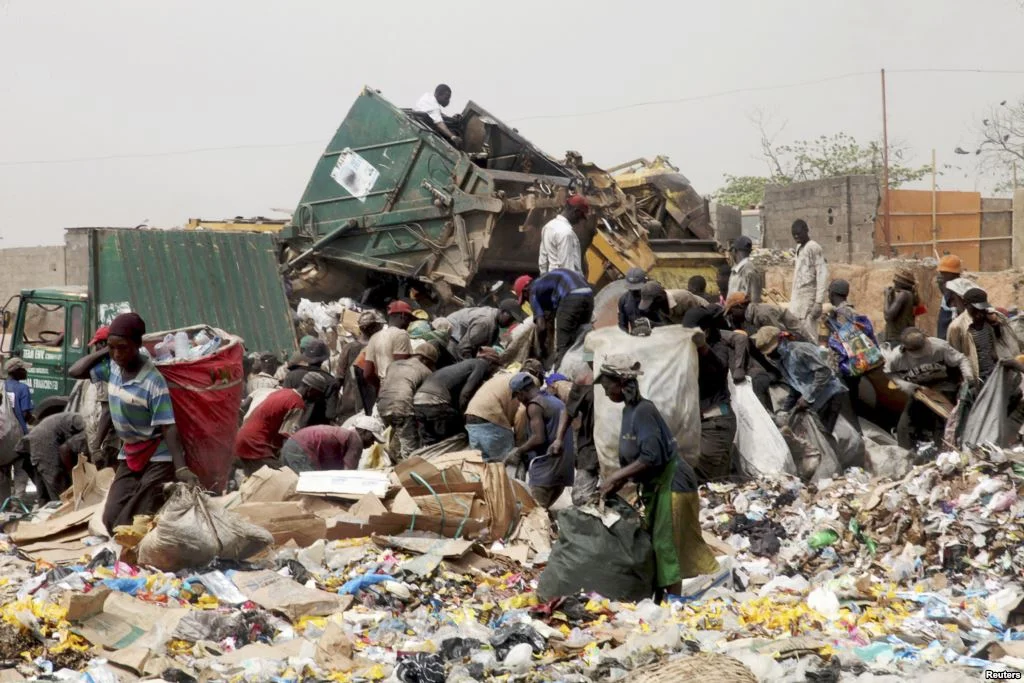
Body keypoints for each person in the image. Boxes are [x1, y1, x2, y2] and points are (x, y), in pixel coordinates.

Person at [596, 356, 720, 598]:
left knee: (666, 546)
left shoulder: (644, 410)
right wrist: (614, 485)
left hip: (673, 482)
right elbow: (635, 460)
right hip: (656, 485)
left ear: (621, 383)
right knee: (655, 544)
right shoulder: (628, 412)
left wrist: (614, 477)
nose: (605, 391)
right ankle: (660, 600)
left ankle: (671, 605)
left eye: (607, 386)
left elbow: (651, 456)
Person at [68, 313, 198, 532]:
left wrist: (181, 467)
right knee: (110, 519)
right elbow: (75, 371)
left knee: (129, 522)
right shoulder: (113, 368)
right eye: (112, 348)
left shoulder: (153, 381)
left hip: (158, 454)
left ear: (138, 345)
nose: (117, 354)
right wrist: (106, 349)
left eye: (123, 347)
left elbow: (168, 426)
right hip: (129, 453)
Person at [753, 326, 854, 434]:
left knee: (843, 437)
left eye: (772, 352)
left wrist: (807, 397)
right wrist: (786, 409)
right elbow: (795, 386)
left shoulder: (800, 351)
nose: (770, 356)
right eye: (768, 354)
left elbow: (824, 372)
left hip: (832, 395)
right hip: (817, 402)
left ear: (781, 342)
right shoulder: (780, 362)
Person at [682, 306, 744, 482]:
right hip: (699, 424)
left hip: (716, 424)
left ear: (706, 332)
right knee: (712, 484)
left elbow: (719, 369)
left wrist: (703, 347)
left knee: (700, 478)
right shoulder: (688, 351)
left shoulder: (718, 348)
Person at [885, 327, 974, 448]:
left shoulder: (939, 347)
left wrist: (968, 377)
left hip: (943, 386)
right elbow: (889, 373)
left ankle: (944, 454)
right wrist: (905, 385)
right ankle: (906, 455)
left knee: (942, 421)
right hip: (919, 390)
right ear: (905, 348)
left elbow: (961, 359)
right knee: (904, 426)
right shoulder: (896, 357)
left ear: (926, 340)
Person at [233, 373, 328, 477]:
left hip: (243, 438)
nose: (317, 398)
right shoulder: (297, 403)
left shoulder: (282, 392)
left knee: (255, 481)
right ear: (310, 389)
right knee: (281, 479)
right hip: (256, 444)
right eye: (318, 394)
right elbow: (289, 438)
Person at [506, 372, 573, 509]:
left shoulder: (534, 405)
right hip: (564, 468)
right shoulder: (555, 400)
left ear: (521, 393)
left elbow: (538, 438)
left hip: (546, 469)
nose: (518, 400)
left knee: (534, 514)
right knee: (543, 513)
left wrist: (518, 451)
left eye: (517, 396)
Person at [413, 348, 501, 446]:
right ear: (490, 362)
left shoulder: (460, 366)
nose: (492, 372)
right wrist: (464, 415)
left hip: (418, 402)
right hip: (436, 402)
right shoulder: (481, 365)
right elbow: (465, 394)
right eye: (494, 368)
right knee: (455, 439)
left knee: (430, 445)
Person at [515, 269, 594, 369]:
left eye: (526, 300)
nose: (528, 302)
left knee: (563, 346)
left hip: (571, 296)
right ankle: (589, 369)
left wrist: (541, 349)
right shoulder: (545, 281)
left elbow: (541, 326)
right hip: (588, 293)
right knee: (584, 338)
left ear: (525, 291)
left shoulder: (533, 291)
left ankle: (558, 378)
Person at [947, 287, 1023, 383]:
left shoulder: (991, 320)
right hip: (975, 378)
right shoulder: (956, 327)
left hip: (994, 373)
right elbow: (954, 357)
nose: (979, 313)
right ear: (966, 305)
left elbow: (1001, 343)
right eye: (975, 309)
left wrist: (996, 326)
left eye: (982, 309)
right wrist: (963, 381)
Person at [377, 343, 437, 460]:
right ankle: (407, 470)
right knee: (409, 447)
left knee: (398, 433)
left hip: (382, 405)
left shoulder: (393, 365)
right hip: (402, 407)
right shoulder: (426, 371)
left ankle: (394, 460)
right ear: (425, 359)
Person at [824, 279, 880, 404]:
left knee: (844, 403)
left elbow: (847, 341)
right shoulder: (852, 312)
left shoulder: (841, 313)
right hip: (855, 367)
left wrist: (831, 325)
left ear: (832, 293)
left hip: (844, 367)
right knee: (852, 396)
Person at [549, 365, 598, 506]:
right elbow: (569, 411)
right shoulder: (584, 379)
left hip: (616, 448)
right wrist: (559, 439)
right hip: (590, 446)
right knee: (581, 498)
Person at [14, 412, 87, 503]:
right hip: (42, 443)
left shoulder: (77, 421)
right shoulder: (85, 428)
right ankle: (64, 509)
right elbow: (65, 450)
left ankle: (48, 508)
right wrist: (71, 474)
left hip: (34, 441)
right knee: (60, 488)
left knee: (45, 490)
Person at [280, 416, 384, 472]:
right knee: (309, 484)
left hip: (292, 443)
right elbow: (348, 473)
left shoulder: (344, 434)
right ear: (364, 432)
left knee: (291, 482)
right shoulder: (355, 440)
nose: (372, 443)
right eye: (372, 438)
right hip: (302, 448)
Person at [464, 368, 522, 462]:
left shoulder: (502, 377)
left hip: (471, 416)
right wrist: (520, 444)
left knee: (480, 463)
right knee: (503, 463)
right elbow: (521, 414)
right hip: (490, 417)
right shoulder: (529, 382)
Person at [355, 308, 413, 396]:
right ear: (372, 328)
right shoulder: (370, 347)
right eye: (380, 325)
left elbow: (365, 374)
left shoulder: (368, 345)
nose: (382, 327)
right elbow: (367, 374)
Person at [282, 339, 337, 427]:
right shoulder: (331, 381)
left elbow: (284, 404)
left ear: (306, 356)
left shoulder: (291, 375)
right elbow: (330, 414)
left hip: (291, 429)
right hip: (317, 432)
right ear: (324, 358)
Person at [789, 219, 829, 340]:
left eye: (799, 233)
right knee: (797, 334)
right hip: (797, 299)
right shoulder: (798, 248)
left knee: (809, 335)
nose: (796, 237)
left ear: (806, 231)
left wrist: (818, 302)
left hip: (808, 300)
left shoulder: (814, 247)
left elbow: (822, 274)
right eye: (794, 234)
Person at [446, 300, 522, 360]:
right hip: (450, 336)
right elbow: (463, 348)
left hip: (458, 337)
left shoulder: (494, 317)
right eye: (511, 318)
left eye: (513, 320)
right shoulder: (485, 323)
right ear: (502, 312)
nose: (511, 322)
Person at [538, 195, 589, 276]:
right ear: (576, 212)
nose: (579, 221)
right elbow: (567, 265)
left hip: (551, 278)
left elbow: (543, 259)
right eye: (580, 216)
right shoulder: (566, 233)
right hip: (564, 282)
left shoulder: (548, 226)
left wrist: (544, 278)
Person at [725, 292, 807, 340]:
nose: (732, 315)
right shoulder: (751, 314)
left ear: (740, 306)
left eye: (732, 311)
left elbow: (778, 335)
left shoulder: (762, 314)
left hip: (797, 337)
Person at [883, 267, 920, 344]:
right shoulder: (910, 295)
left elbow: (888, 316)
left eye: (895, 282)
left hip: (897, 338)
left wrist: (886, 296)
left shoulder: (903, 295)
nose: (894, 284)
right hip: (905, 336)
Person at [727, 235, 763, 303]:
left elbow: (754, 302)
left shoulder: (749, 271)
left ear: (734, 251)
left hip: (742, 313)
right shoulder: (736, 270)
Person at [936, 255, 963, 340]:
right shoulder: (949, 286)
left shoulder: (956, 288)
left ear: (952, 273)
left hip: (950, 335)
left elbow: (960, 312)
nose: (941, 275)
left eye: (943, 272)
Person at [4, 358, 33, 434]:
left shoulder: (1, 386)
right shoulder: (23, 388)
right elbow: (25, 413)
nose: (26, 371)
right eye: (23, 369)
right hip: (18, 431)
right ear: (16, 371)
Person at [617, 267, 649, 332]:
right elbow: (623, 325)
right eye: (632, 289)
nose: (634, 291)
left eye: (637, 289)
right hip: (635, 338)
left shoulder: (655, 298)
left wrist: (650, 323)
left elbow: (666, 325)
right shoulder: (623, 300)